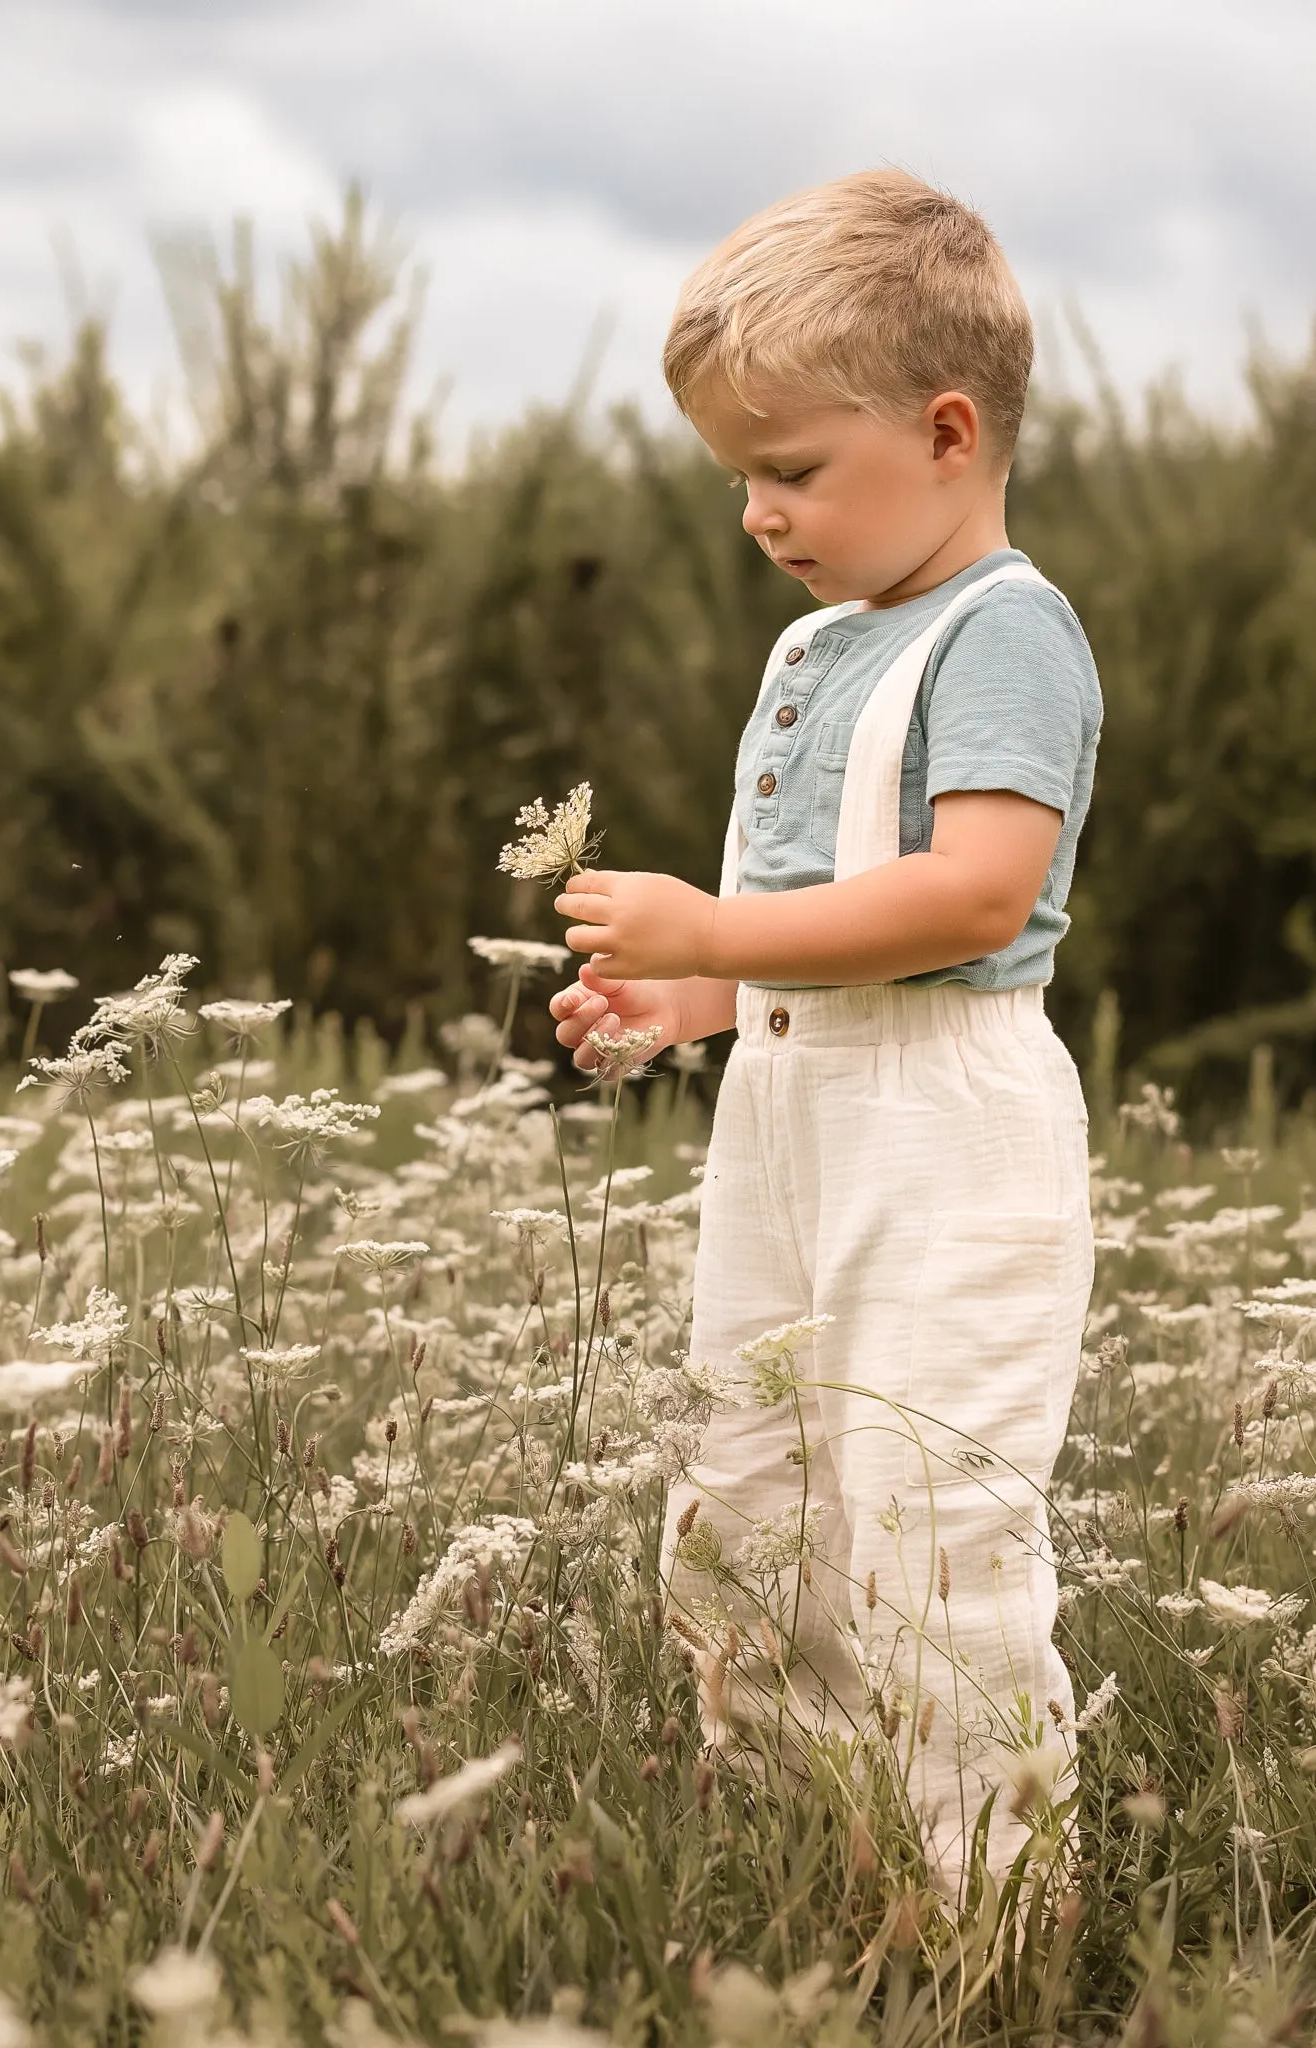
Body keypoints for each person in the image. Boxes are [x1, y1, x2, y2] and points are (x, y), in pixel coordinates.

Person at [549, 168, 1100, 1908]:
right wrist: (698, 999)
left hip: (944, 1133)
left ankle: (985, 1904)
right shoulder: (814, 648)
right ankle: (795, 1854)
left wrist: (712, 928)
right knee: (755, 1488)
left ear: (948, 431)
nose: (757, 514)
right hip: (790, 1114)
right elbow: (830, 917)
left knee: (922, 1515)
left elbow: (969, 901)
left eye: (791, 469)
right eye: (739, 478)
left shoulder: (1004, 631)